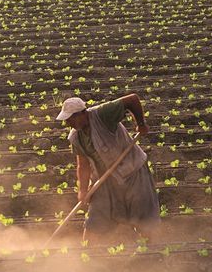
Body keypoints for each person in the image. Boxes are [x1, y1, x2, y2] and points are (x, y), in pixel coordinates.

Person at [56, 94, 160, 244]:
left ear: (82, 114)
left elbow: (133, 100)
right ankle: (87, 257)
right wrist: (83, 190)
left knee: (143, 218)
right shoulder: (75, 137)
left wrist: (141, 124)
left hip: (133, 173)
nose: (67, 123)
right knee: (95, 221)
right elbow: (83, 165)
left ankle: (149, 254)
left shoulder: (102, 114)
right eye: (66, 119)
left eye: (70, 118)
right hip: (105, 181)